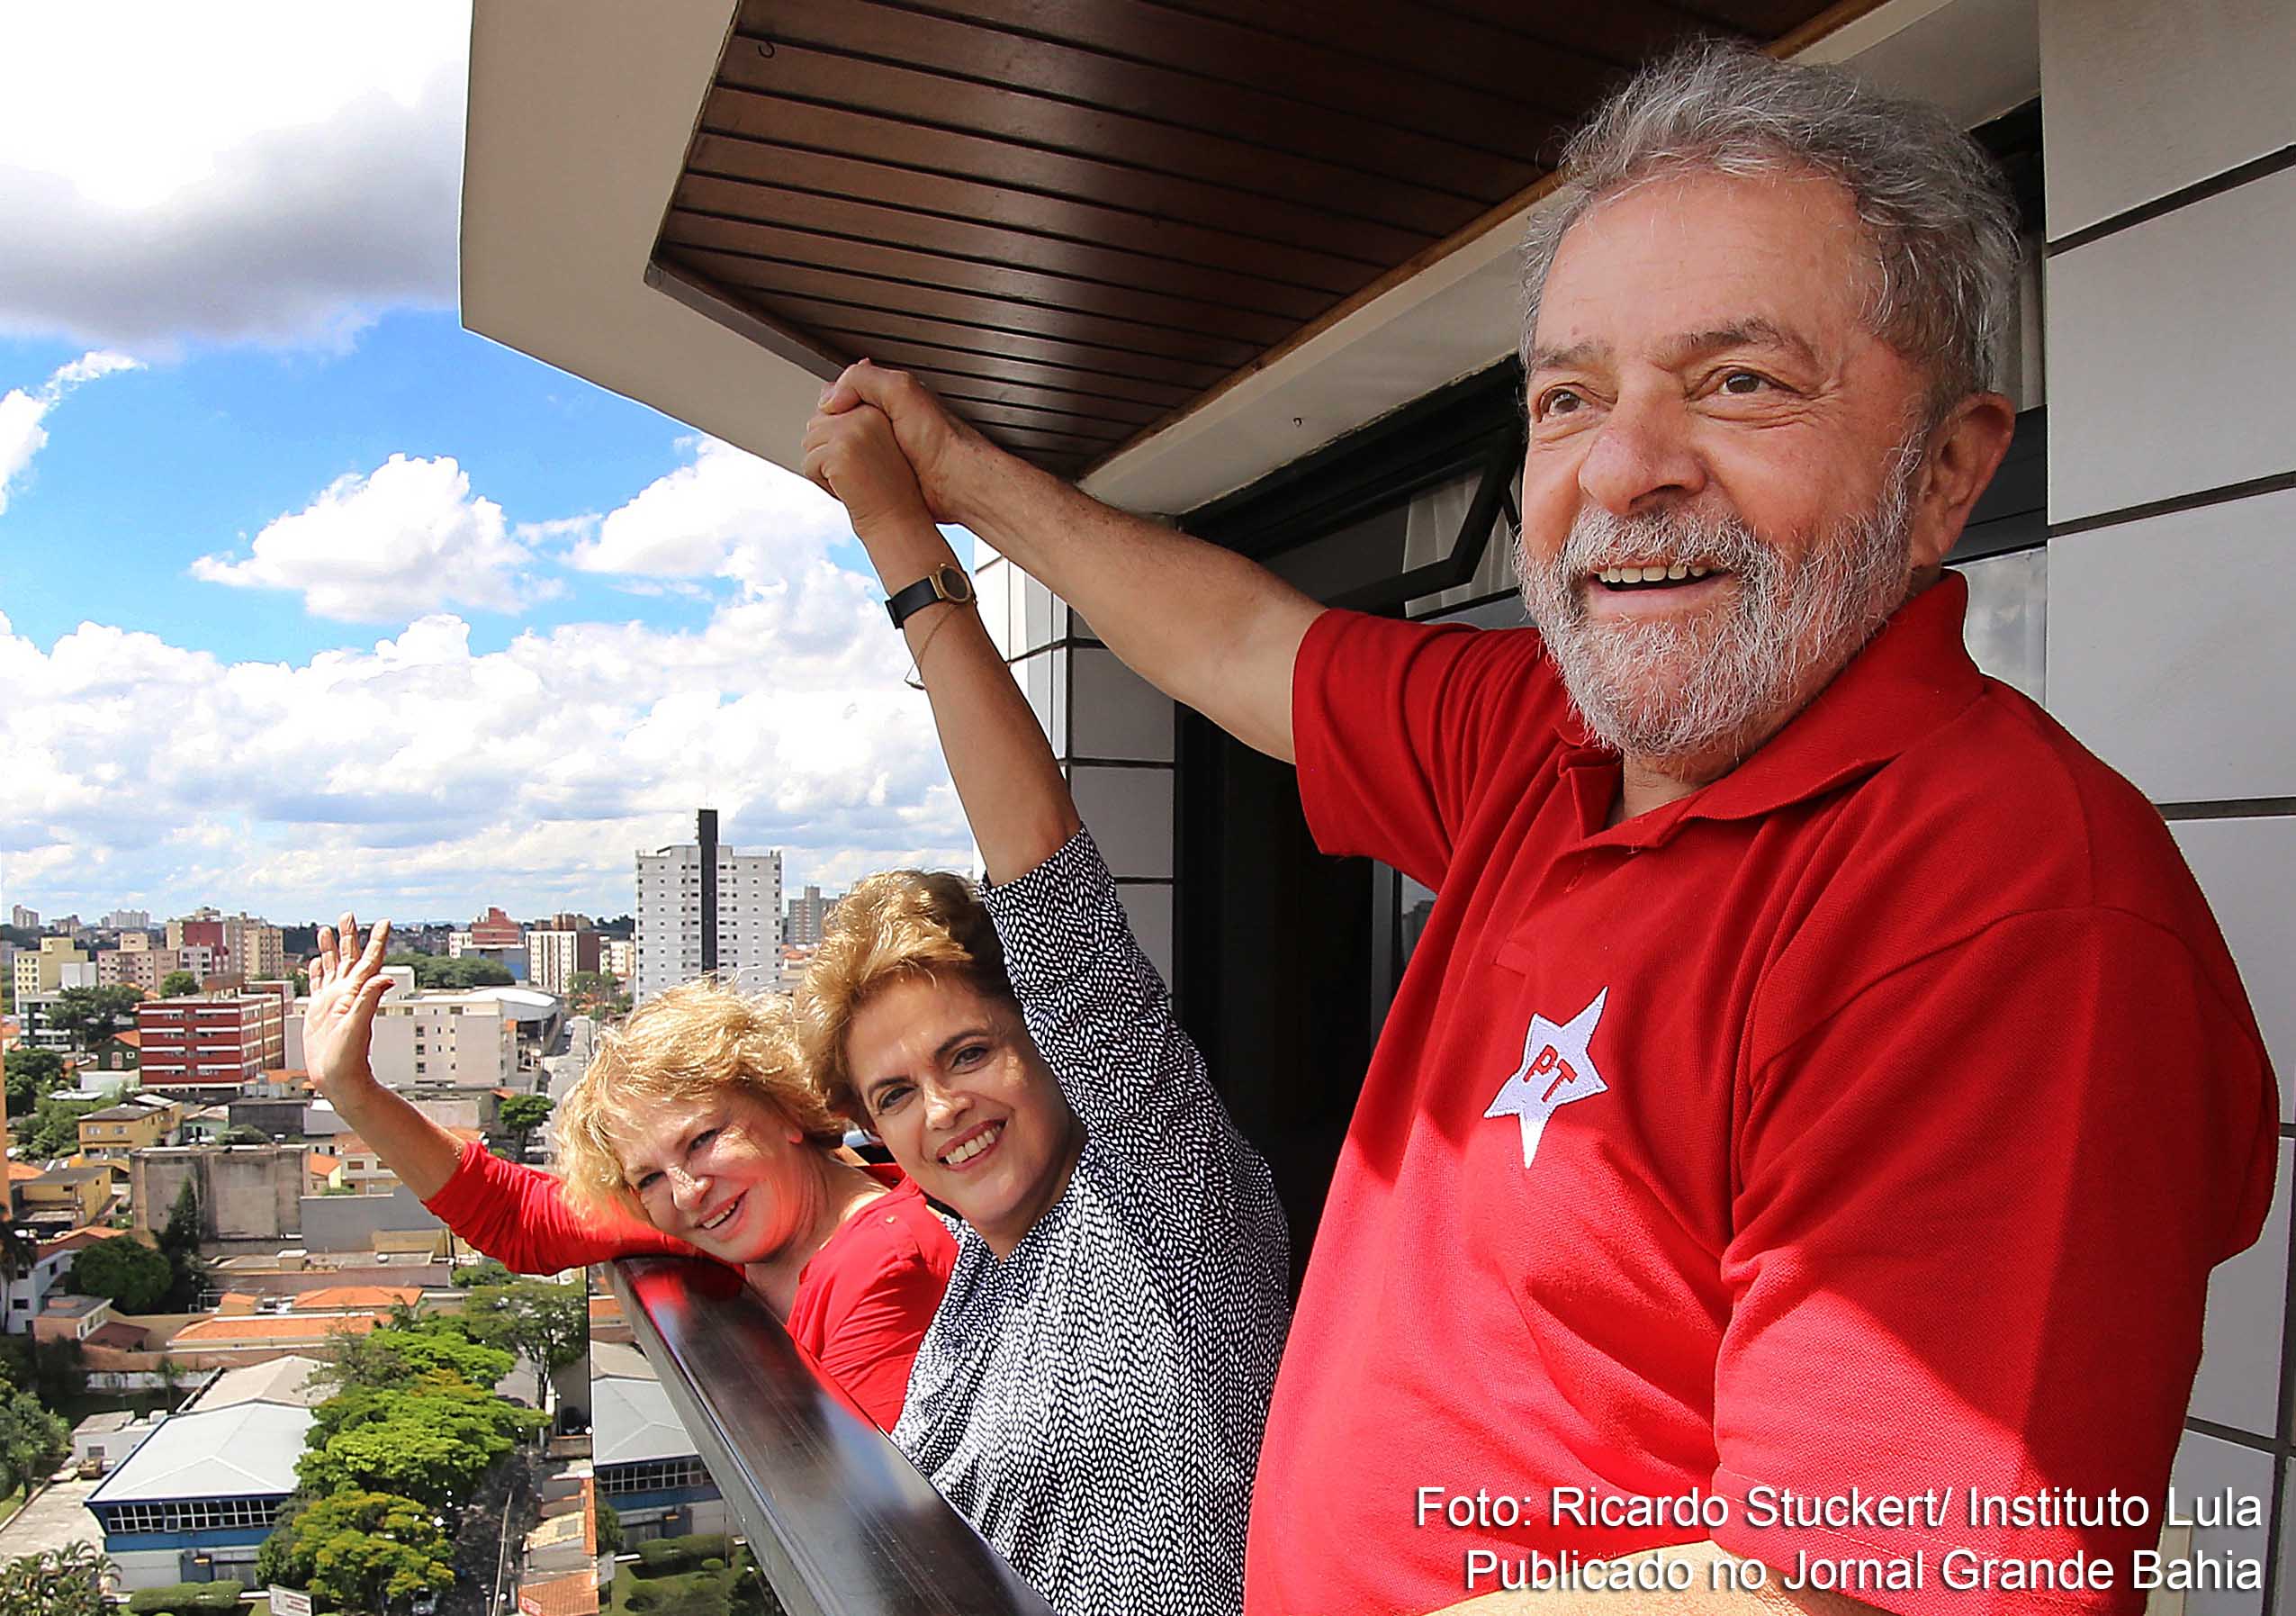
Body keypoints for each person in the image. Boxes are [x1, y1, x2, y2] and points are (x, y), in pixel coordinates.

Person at [807, 40, 2278, 1616]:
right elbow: (1241, 648)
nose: (1626, 470)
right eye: (1571, 398)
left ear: (1949, 474)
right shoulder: (1550, 741)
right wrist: (954, 479)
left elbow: (1858, 1586)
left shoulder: (2004, 899)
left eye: (1740, 382)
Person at [797, 400, 1291, 1616]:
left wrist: (902, 549)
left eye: (968, 1050)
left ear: (1051, 1042)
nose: (941, 1108)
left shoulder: (1158, 1201)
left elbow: (1044, 880)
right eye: (894, 1091)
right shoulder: (973, 1267)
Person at [300, 927, 953, 1430]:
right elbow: (518, 1216)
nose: (689, 1189)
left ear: (784, 1107)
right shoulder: (738, 1214)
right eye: (647, 1177)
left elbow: (897, 1539)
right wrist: (352, 1091)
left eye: (703, 1139)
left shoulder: (878, 1265)